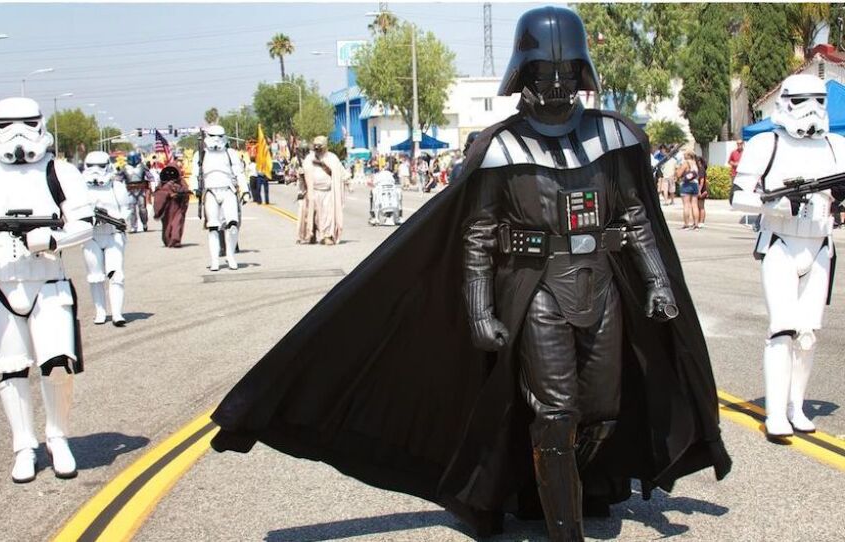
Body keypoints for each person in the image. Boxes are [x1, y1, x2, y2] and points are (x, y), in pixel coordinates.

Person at [210, 7, 730, 542]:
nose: (556, 84)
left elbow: (636, 217)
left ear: (582, 73)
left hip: (602, 288)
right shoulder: (500, 147)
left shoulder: (613, 138)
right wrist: (481, 309)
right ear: (523, 74)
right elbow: (477, 235)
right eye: (545, 73)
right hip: (537, 293)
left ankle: (542, 485)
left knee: (601, 411)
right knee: (555, 415)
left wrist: (658, 283)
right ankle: (564, 530)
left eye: (566, 72)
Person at [0, 97, 94, 482]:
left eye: (27, 123)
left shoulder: (59, 170)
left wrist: (51, 239)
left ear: (40, 124)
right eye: (9, 124)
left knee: (57, 364)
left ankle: (57, 437)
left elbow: (85, 222)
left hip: (48, 281)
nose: (19, 132)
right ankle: (24, 444)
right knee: (12, 369)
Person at [731, 74, 845, 441]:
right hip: (781, 242)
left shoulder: (836, 147)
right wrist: (778, 203)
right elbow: (739, 196)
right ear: (785, 103)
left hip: (819, 245)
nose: (811, 108)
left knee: (808, 333)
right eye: (801, 100)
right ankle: (776, 411)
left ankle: (797, 406)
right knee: (782, 329)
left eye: (818, 99)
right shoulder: (767, 143)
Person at [82, 151, 130, 326]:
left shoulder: (116, 187)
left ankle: (117, 313)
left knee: (117, 274)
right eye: (91, 166)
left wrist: (116, 218)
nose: (96, 171)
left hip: (113, 233)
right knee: (95, 276)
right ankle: (100, 312)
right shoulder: (80, 188)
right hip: (90, 235)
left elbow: (126, 209)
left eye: (100, 166)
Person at [192, 125, 246, 271]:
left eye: (220, 136)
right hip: (210, 191)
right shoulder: (201, 154)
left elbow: (239, 172)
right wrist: (195, 188)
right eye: (213, 136)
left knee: (233, 225)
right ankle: (215, 259)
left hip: (228, 190)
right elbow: (195, 174)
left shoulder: (230, 153)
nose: (217, 139)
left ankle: (230, 255)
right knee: (213, 227)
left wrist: (245, 191)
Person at [298, 136, 349, 245]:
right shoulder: (309, 158)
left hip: (327, 192)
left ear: (325, 146)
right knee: (310, 215)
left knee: (327, 216)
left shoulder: (332, 158)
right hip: (313, 192)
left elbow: (341, 173)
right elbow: (304, 172)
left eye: (320, 146)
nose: (317, 148)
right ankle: (310, 234)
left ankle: (327, 236)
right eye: (315, 146)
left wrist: (323, 164)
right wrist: (301, 175)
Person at [152, 164, 190, 247]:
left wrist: (180, 194)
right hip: (167, 207)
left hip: (178, 206)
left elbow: (186, 191)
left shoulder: (181, 182)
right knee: (167, 224)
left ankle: (175, 240)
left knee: (177, 222)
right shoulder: (162, 184)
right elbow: (159, 196)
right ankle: (168, 239)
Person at [122, 151, 152, 233]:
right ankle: (133, 226)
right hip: (130, 191)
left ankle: (144, 223)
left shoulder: (142, 166)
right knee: (131, 210)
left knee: (142, 209)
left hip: (141, 190)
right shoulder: (125, 167)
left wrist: (148, 181)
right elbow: (119, 177)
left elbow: (150, 176)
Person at [676, 151, 701, 229]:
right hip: (695, 184)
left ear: (688, 155)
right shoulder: (695, 163)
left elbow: (679, 174)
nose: (683, 155)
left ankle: (686, 224)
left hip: (686, 184)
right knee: (695, 205)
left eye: (684, 154)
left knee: (686, 205)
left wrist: (678, 169)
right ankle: (696, 224)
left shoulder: (686, 163)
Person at [696, 155, 709, 228]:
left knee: (701, 206)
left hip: (701, 190)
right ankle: (699, 221)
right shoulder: (700, 169)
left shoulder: (701, 169)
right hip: (700, 189)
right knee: (698, 206)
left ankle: (701, 221)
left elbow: (702, 180)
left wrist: (699, 190)